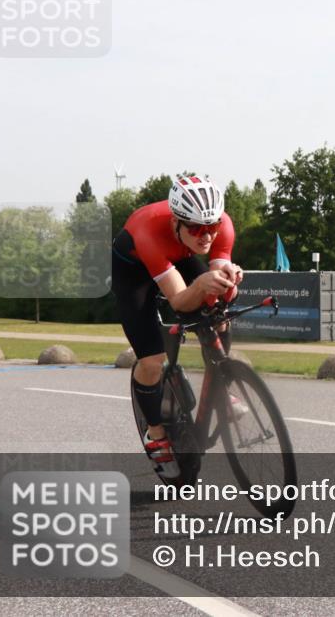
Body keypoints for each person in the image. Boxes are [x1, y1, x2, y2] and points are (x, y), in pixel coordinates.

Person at [111, 173, 243, 478]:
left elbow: (222, 286)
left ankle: (221, 387)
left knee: (218, 312)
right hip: (135, 270)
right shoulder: (149, 231)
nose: (206, 237)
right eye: (197, 229)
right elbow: (180, 301)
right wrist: (201, 287)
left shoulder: (221, 227)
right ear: (176, 222)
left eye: (211, 228)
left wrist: (231, 280)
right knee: (152, 360)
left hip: (179, 254)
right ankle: (155, 432)